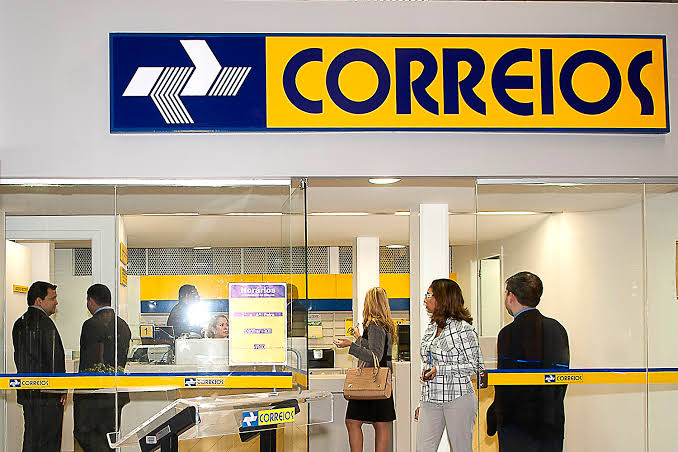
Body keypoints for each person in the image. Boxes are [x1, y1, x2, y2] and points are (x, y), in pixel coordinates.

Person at [486, 271, 570, 452]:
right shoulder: (557, 329)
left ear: (511, 296)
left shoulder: (508, 333)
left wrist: (495, 415)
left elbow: (505, 384)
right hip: (551, 422)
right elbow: (561, 379)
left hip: (517, 427)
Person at [415, 278, 485, 452]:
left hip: (458, 398)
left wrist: (440, 370)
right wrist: (422, 399)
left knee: (461, 448)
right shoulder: (432, 328)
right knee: (423, 448)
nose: (425, 300)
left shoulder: (464, 329)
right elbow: (430, 360)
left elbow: (476, 365)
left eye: (429, 295)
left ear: (443, 298)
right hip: (431, 399)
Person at [335, 287, 396, 452]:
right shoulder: (384, 325)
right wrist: (358, 338)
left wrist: (351, 345)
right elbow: (376, 350)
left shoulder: (374, 324)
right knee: (380, 423)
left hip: (369, 381)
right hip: (380, 380)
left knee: (353, 421)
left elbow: (374, 355)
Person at [73, 284, 132, 452]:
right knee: (109, 441)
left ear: (91, 301)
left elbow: (89, 364)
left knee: (90, 439)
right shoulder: (123, 325)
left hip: (94, 398)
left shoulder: (90, 325)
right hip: (115, 394)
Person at [12, 281, 66, 452]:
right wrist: (61, 389)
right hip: (47, 396)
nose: (56, 302)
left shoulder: (19, 323)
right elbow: (55, 359)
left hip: (28, 393)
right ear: (38, 301)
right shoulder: (46, 324)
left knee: (31, 438)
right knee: (49, 441)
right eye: (52, 298)